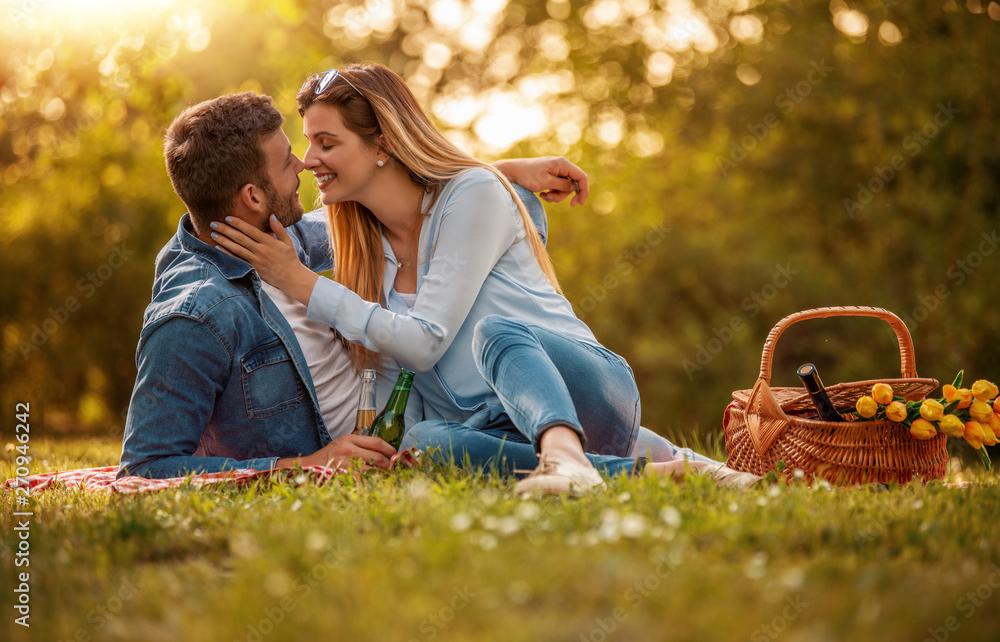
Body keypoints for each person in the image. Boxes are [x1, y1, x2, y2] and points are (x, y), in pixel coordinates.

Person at [210, 64, 759, 494]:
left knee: (494, 333)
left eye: (326, 143)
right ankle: (642, 473)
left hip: (586, 387)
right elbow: (226, 226)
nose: (308, 162)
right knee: (423, 444)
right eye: (308, 144)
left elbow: (424, 342)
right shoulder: (353, 235)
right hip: (497, 426)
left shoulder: (471, 194)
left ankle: (567, 457)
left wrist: (301, 283)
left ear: (383, 145)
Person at [116, 90, 583, 479]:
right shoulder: (195, 317)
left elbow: (394, 206)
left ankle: (592, 459)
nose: (302, 166)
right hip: (411, 441)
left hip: (444, 407)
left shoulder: (280, 237)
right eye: (286, 162)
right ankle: (614, 469)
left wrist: (494, 173)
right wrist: (306, 465)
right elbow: (145, 467)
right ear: (253, 197)